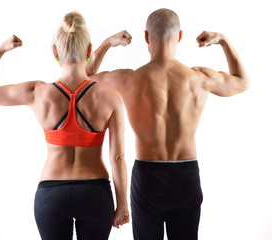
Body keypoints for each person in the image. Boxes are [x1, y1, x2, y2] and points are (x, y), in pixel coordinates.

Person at [90, 8, 249, 240]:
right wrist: (223, 40)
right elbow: (242, 82)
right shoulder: (199, 78)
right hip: (186, 176)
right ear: (180, 36)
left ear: (146, 37)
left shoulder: (129, 79)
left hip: (147, 175)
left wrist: (107, 43)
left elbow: (82, 79)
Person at [0, 11, 131, 240]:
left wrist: (0, 50)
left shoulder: (38, 93)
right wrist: (123, 204)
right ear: (88, 51)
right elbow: (118, 157)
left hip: (51, 195)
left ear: (55, 52)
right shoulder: (110, 97)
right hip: (94, 193)